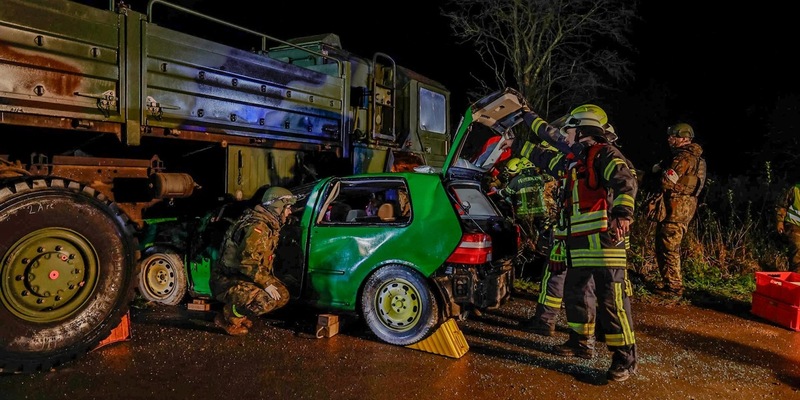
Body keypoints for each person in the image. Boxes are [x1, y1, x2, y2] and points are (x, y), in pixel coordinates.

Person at [517, 103, 639, 382]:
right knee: (576, 294)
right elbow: (543, 157)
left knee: (612, 301)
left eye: (569, 129)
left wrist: (622, 213)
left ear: (583, 130)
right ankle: (580, 343)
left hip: (606, 244)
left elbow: (625, 182)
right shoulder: (575, 161)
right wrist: (515, 146)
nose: (565, 134)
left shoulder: (606, 154)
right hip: (580, 245)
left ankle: (625, 359)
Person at [210, 186, 297, 336]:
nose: (290, 212)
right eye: (287, 208)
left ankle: (238, 315)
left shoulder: (267, 223)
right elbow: (247, 262)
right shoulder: (258, 227)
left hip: (244, 276)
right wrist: (266, 283)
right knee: (266, 301)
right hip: (227, 280)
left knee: (282, 296)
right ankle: (227, 317)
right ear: (277, 208)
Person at [651, 122, 706, 298]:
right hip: (685, 208)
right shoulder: (698, 159)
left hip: (674, 208)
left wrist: (658, 171)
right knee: (667, 245)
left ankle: (674, 287)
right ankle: (669, 282)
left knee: (668, 247)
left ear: (683, 138)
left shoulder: (682, 158)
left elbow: (667, 182)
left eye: (673, 136)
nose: (670, 139)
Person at [776, 180, 800, 273]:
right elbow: (782, 206)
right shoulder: (795, 189)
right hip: (795, 225)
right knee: (798, 253)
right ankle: (797, 281)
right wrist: (780, 222)